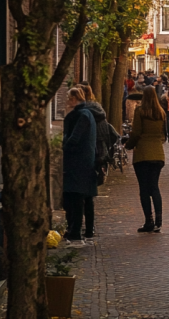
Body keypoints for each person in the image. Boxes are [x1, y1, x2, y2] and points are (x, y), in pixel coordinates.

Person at [125, 87, 166, 233]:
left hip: (142, 154)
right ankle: (159, 221)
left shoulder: (140, 111)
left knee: (144, 188)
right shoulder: (161, 113)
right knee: (154, 187)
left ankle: (149, 220)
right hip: (158, 155)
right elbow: (164, 135)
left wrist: (128, 145)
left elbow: (136, 133)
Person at [62, 87, 97, 247]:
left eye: (69, 99)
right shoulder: (88, 114)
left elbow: (75, 138)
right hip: (86, 162)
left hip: (78, 163)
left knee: (74, 199)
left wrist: (64, 147)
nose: (67, 102)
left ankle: (75, 233)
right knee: (84, 198)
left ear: (75, 99)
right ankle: (85, 230)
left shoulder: (81, 116)